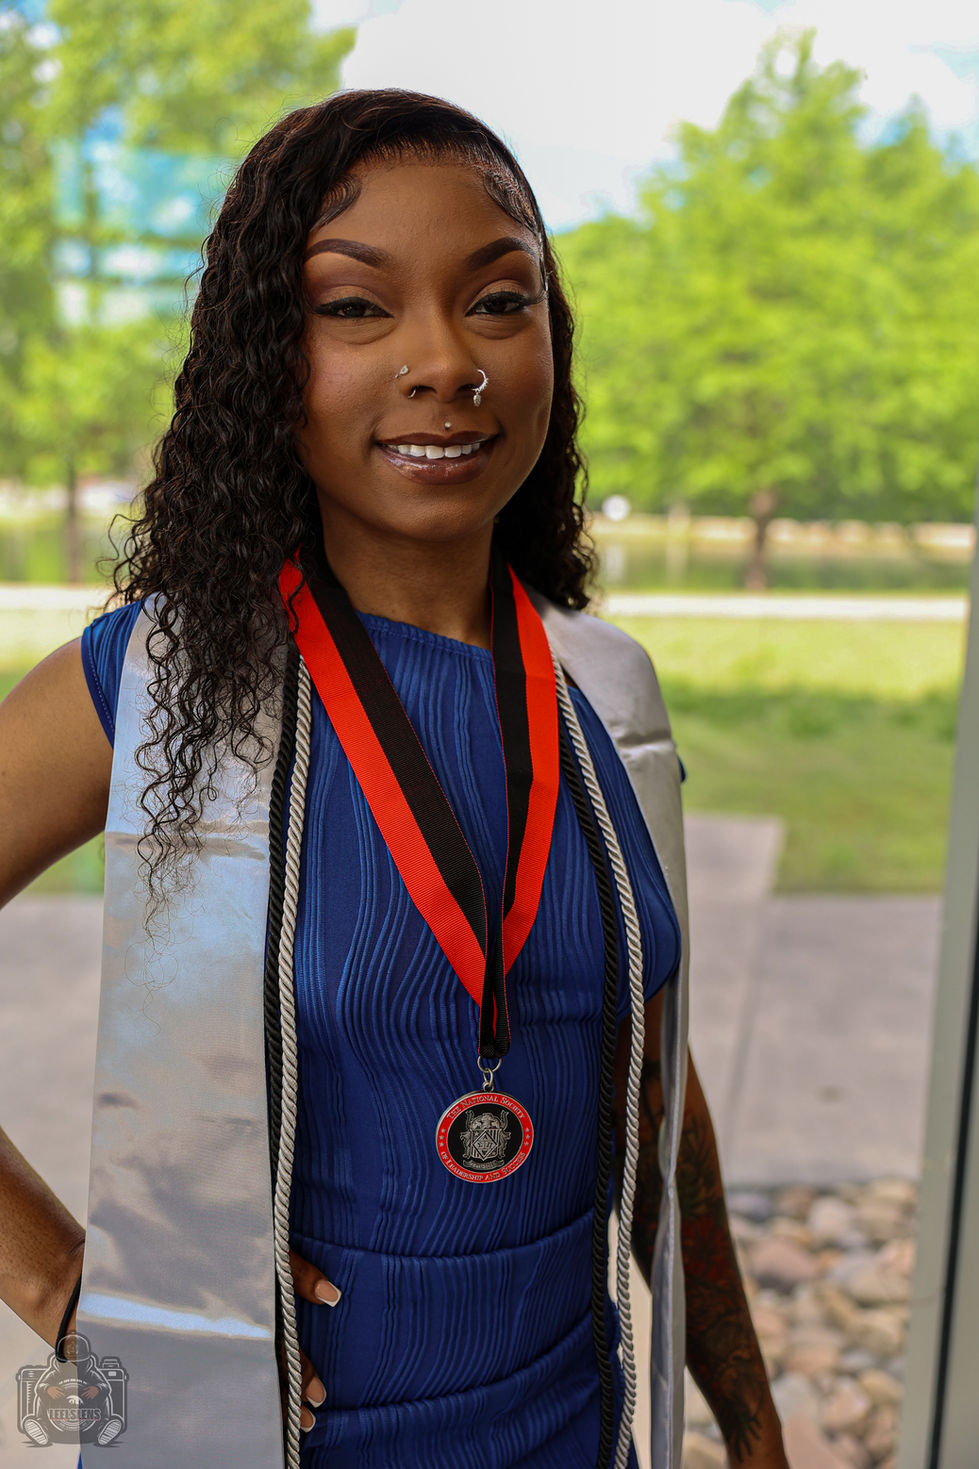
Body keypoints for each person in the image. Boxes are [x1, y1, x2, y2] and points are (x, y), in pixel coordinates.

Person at [0, 90, 789, 1469]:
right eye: (356, 308)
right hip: (272, 1439)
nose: (444, 359)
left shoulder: (603, 691)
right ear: (265, 352)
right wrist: (67, 1286)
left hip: (568, 1426)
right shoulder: (165, 683)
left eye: (498, 299)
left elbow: (651, 1088)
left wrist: (754, 1424)